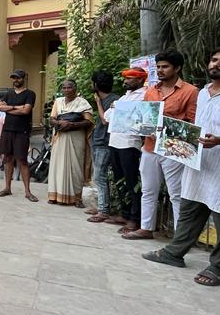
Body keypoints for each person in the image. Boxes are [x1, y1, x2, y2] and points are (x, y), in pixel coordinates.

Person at [143, 46, 220, 286]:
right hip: (197, 164)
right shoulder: (204, 92)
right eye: (214, 60)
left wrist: (219, 140)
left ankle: (219, 267)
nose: (216, 64)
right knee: (189, 211)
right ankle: (174, 253)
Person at [123, 50, 198, 240]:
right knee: (148, 189)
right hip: (149, 146)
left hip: (174, 148)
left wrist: (166, 125)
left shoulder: (190, 91)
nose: (160, 70)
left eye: (165, 66)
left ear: (178, 68)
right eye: (158, 67)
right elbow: (144, 118)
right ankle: (146, 228)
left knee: (176, 193)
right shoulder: (151, 91)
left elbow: (192, 121)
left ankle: (181, 236)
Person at [105, 68, 148, 232]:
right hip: (115, 141)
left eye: (130, 78)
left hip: (130, 144)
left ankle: (134, 218)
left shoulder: (145, 95)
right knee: (119, 180)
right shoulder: (125, 96)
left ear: (140, 80)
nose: (126, 81)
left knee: (132, 182)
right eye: (126, 78)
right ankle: (124, 213)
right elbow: (108, 117)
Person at [46, 79, 94, 207]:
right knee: (57, 166)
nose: (66, 90)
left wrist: (71, 124)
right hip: (60, 138)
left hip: (75, 139)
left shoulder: (82, 103)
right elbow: (51, 118)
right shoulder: (58, 101)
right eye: (64, 88)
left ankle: (77, 198)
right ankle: (55, 195)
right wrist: (58, 123)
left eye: (69, 87)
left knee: (75, 167)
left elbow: (89, 122)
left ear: (75, 89)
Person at [0, 70, 38, 202]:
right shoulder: (8, 93)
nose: (15, 80)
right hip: (7, 130)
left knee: (22, 161)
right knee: (7, 159)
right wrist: (16, 107)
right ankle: (7, 188)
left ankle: (27, 192)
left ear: (23, 78)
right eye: (14, 78)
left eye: (18, 78)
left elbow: (26, 111)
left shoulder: (30, 94)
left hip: (22, 131)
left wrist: (10, 108)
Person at [86, 71, 121, 223]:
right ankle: (101, 206)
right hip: (98, 141)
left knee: (100, 177)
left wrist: (98, 103)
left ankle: (103, 210)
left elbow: (105, 120)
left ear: (96, 85)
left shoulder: (115, 101)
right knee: (98, 176)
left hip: (105, 144)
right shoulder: (105, 98)